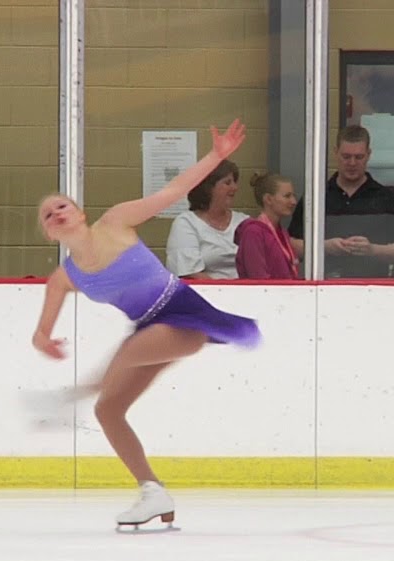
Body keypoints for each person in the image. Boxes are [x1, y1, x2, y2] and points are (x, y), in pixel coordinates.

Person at [32, 119, 260, 528]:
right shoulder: (66, 277)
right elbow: (41, 331)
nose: (56, 213)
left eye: (61, 205)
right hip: (150, 329)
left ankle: (69, 400)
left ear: (80, 212)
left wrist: (216, 155)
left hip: (183, 314)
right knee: (109, 410)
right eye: (48, 215)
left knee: (122, 358)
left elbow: (172, 192)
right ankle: (152, 491)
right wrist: (44, 340)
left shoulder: (117, 221)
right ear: (49, 235)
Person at [287, 125, 394, 278]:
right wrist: (324, 246)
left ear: (369, 155)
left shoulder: (388, 199)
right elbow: (289, 245)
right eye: (346, 157)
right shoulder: (316, 197)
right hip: (324, 289)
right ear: (335, 153)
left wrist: (372, 250)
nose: (352, 163)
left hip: (373, 289)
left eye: (359, 157)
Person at [164, 159, 249, 279]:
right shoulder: (186, 223)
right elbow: (189, 273)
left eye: (234, 182)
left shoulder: (245, 222)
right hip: (206, 294)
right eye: (227, 183)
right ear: (209, 188)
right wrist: (226, 291)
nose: (235, 187)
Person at [234, 172, 300, 280]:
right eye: (287, 196)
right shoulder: (253, 233)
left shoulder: (282, 232)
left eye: (293, 196)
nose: (294, 201)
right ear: (268, 199)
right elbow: (258, 278)